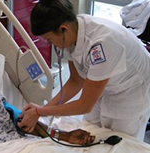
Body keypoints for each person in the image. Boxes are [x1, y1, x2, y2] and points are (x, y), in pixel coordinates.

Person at [18, 0, 150, 141]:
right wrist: (42, 110)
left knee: (121, 143)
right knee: (91, 132)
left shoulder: (103, 43)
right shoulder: (73, 31)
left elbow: (85, 105)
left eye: (49, 39)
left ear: (63, 29)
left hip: (132, 90)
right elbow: (76, 81)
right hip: (104, 85)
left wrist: (40, 111)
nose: (50, 44)